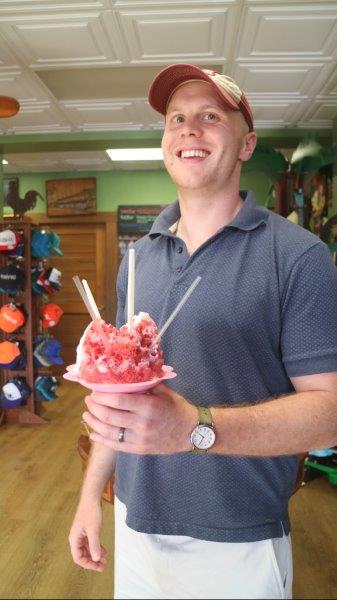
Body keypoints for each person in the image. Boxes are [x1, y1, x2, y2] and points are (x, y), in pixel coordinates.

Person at [68, 64, 337, 599]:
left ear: (245, 144)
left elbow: (329, 417)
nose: (189, 128)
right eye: (177, 118)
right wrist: (88, 497)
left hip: (239, 536)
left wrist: (193, 427)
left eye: (211, 116)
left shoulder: (300, 256)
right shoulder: (138, 258)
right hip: (136, 522)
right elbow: (117, 397)